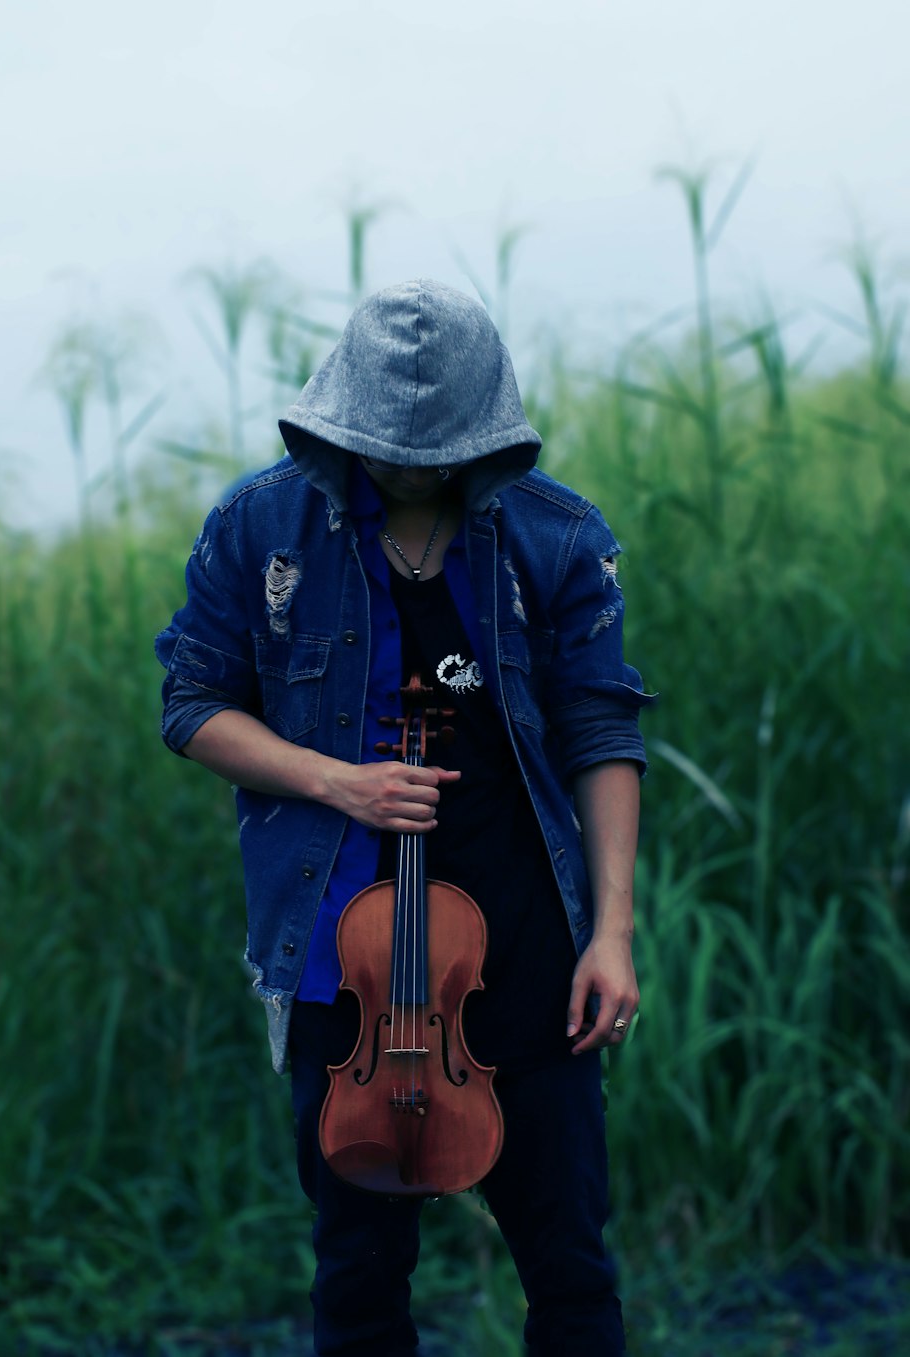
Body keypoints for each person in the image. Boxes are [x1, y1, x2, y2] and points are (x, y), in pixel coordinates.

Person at [155, 279, 653, 1356]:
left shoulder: (554, 535)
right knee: (359, 1275)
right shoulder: (261, 525)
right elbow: (192, 706)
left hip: (522, 945)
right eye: (386, 444)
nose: (412, 466)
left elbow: (602, 736)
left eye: (437, 448)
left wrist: (610, 933)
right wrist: (337, 780)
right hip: (348, 963)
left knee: (569, 1265)